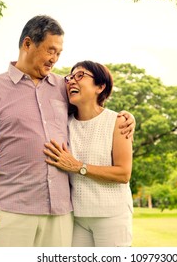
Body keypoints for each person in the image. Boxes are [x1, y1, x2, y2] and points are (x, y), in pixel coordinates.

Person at [0, 15, 135, 247]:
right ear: (27, 44)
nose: (54, 59)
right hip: (10, 208)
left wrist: (126, 117)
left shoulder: (62, 87)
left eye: (59, 53)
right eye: (50, 50)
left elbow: (91, 108)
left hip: (61, 213)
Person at [43, 60, 133, 247]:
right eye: (70, 77)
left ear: (100, 86)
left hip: (112, 216)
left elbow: (123, 174)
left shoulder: (118, 122)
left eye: (80, 76)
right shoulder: (62, 123)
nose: (71, 81)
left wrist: (78, 167)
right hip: (76, 217)